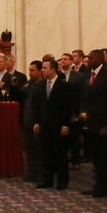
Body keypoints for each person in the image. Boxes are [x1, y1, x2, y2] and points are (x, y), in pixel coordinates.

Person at [80, 48, 107, 197]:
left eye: (92, 58)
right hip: (91, 122)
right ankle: (97, 184)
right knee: (95, 156)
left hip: (103, 124)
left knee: (104, 157)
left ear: (100, 59)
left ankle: (104, 187)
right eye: (88, 58)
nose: (89, 60)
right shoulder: (88, 75)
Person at [32, 58, 72, 190]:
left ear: (53, 69)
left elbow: (67, 106)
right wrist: (36, 121)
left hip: (59, 125)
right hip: (44, 124)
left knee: (60, 154)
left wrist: (66, 124)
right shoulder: (40, 85)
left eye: (44, 68)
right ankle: (46, 180)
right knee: (45, 153)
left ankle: (62, 181)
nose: (42, 70)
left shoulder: (63, 85)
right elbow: (37, 106)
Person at [21, 61, 44, 183]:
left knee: (39, 150)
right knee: (29, 149)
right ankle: (31, 172)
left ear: (40, 71)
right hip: (27, 121)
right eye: (29, 70)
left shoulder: (44, 85)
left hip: (38, 122)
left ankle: (41, 173)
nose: (30, 73)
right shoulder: (28, 85)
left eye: (32, 70)